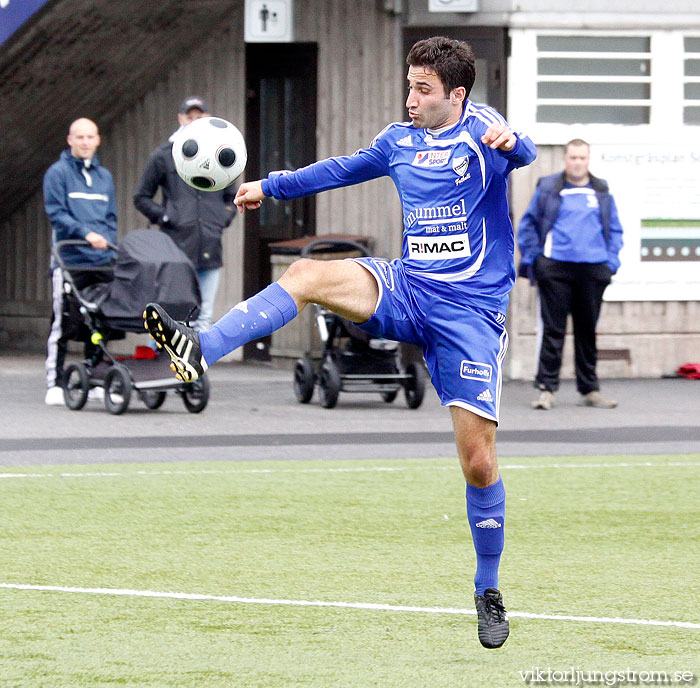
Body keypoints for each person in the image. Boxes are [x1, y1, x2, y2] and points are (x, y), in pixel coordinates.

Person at [143, 37, 536, 649]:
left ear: (457, 94)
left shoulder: (483, 128)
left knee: (478, 462)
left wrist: (514, 144)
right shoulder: (398, 141)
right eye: (409, 85)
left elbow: (523, 149)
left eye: (424, 89)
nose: (411, 98)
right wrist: (270, 187)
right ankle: (200, 348)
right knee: (306, 275)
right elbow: (339, 170)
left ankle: (488, 588)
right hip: (406, 287)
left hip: (469, 313)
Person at [517, 138, 623, 411]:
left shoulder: (600, 190)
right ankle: (546, 390)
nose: (578, 163)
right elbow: (528, 225)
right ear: (565, 159)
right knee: (553, 330)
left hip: (593, 269)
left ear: (588, 160)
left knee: (587, 331)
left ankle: (589, 389)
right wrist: (535, 261)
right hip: (556, 268)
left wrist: (610, 263)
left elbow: (615, 230)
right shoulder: (550, 187)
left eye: (582, 158)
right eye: (573, 158)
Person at [133, 96, 237, 331]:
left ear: (208, 118)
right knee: (169, 311)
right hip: (175, 248)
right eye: (189, 117)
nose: (194, 121)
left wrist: (221, 219)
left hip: (210, 244)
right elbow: (141, 197)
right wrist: (167, 217)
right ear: (180, 119)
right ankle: (163, 362)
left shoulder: (221, 153)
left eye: (199, 117)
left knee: (204, 314)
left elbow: (232, 195)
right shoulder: (164, 154)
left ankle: (198, 364)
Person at [44, 118, 117, 406]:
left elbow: (111, 218)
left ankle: (95, 375)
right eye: (80, 137)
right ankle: (55, 382)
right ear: (70, 140)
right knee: (62, 322)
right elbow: (56, 214)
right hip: (70, 260)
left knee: (100, 320)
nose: (85, 142)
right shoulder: (57, 173)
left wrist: (106, 243)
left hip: (102, 261)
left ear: (97, 140)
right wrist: (86, 234)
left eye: (90, 137)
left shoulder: (105, 177)